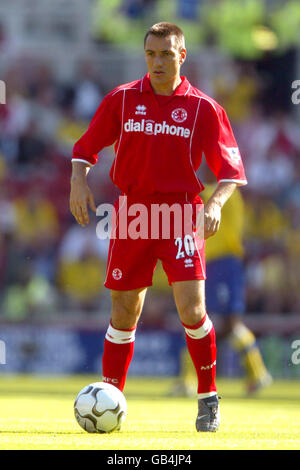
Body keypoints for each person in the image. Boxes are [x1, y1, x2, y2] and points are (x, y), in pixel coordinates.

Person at [70, 22, 247, 432]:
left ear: (181, 56)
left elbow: (232, 171)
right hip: (132, 214)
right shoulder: (123, 99)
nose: (158, 62)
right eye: (151, 54)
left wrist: (215, 203)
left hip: (182, 213)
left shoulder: (204, 108)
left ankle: (207, 399)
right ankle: (111, 397)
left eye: (166, 54)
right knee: (124, 312)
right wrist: (78, 179)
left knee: (193, 309)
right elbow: (85, 148)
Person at [171, 166, 272, 397]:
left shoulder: (214, 193)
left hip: (221, 263)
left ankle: (189, 380)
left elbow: (191, 208)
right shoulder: (230, 193)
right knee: (218, 323)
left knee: (211, 322)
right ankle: (256, 374)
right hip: (222, 263)